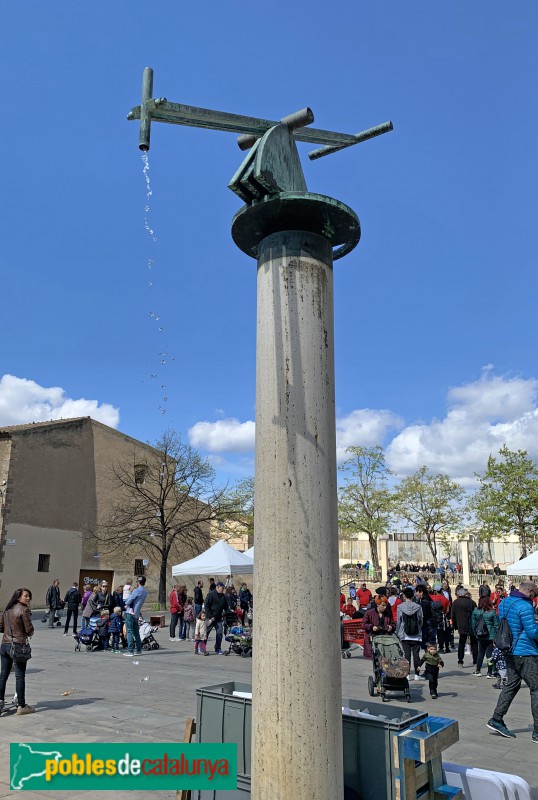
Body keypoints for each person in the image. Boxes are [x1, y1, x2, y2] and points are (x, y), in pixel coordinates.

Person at [486, 580, 538, 741]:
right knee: (536, 689)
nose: (534, 598)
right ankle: (537, 731)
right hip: (526, 652)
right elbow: (532, 633)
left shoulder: (505, 602)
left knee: (511, 686)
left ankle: (497, 718)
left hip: (509, 650)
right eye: (534, 594)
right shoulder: (525, 606)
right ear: (529, 591)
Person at [0, 588, 35, 714]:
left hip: (5, 644)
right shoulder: (23, 610)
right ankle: (21, 705)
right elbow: (29, 630)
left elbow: (0, 627)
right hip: (18, 646)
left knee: (3, 675)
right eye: (26, 596)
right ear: (18, 597)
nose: (28, 598)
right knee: (20, 676)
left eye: (29, 596)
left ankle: (0, 701)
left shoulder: (7, 609)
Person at [396, 587, 424, 681]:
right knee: (416, 655)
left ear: (404, 595)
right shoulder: (418, 607)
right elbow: (420, 620)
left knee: (406, 655)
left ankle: (407, 675)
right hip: (416, 635)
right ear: (413, 596)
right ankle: (417, 674)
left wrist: (397, 632)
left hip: (404, 635)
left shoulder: (400, 607)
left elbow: (399, 622)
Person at [471, 596, 498, 677]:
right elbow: (496, 625)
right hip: (490, 635)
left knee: (480, 652)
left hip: (480, 634)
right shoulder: (492, 612)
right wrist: (496, 635)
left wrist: (476, 633)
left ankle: (478, 670)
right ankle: (490, 672)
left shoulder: (476, 610)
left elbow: (473, 624)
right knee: (489, 654)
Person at [451, 587, 477, 666]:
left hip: (461, 626)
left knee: (461, 643)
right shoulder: (472, 602)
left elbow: (453, 616)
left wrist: (455, 625)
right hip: (472, 625)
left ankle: (460, 660)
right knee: (474, 643)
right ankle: (475, 661)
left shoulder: (455, 603)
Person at [123, 576, 148, 657]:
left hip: (130, 612)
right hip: (136, 613)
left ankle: (130, 651)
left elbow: (129, 600)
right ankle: (139, 650)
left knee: (129, 631)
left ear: (138, 582)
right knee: (136, 632)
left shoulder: (136, 591)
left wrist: (126, 603)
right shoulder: (145, 591)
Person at [204, 581, 228, 654]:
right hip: (210, 618)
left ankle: (217, 648)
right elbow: (206, 605)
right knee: (205, 633)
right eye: (222, 588)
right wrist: (210, 616)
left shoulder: (223, 596)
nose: (223, 589)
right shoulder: (211, 594)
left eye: (224, 588)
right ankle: (202, 647)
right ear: (217, 587)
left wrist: (229, 611)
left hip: (218, 618)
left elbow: (226, 606)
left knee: (219, 633)